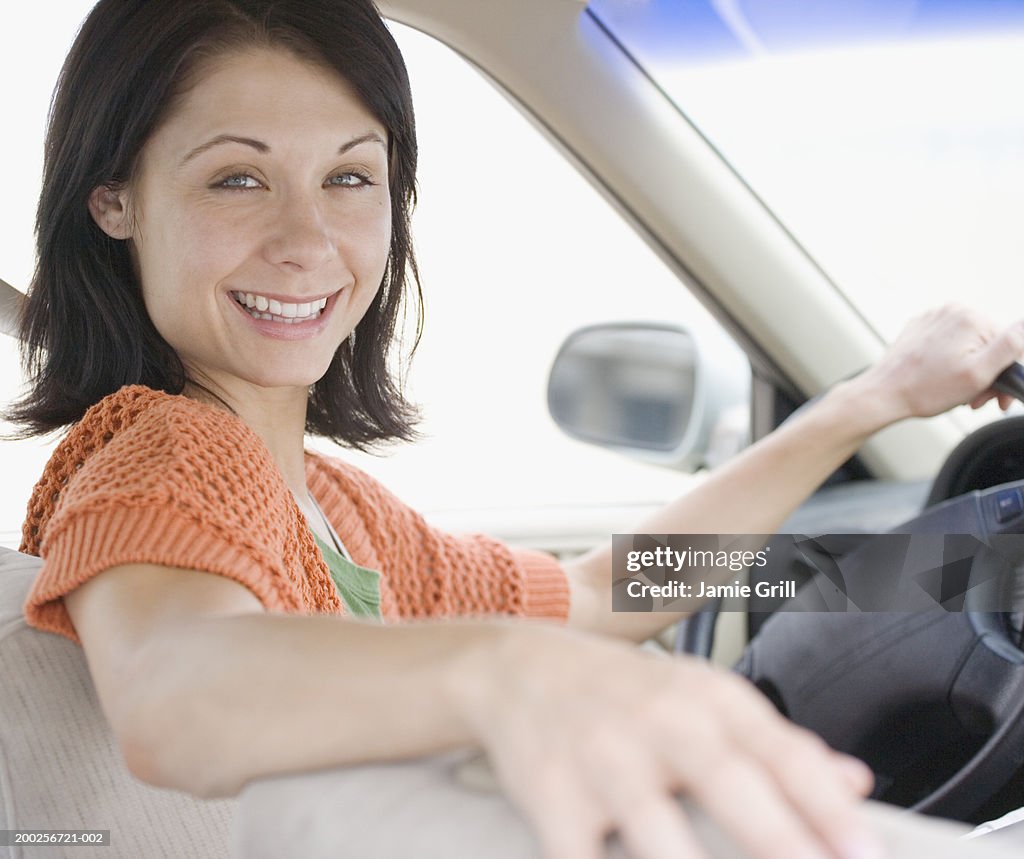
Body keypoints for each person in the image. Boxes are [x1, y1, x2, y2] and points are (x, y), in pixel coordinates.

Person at [8, 1, 1024, 858]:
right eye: (238, 177)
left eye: (349, 177)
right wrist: (502, 670)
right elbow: (172, 691)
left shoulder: (332, 505)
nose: (307, 239)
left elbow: (590, 596)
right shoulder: (162, 453)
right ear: (115, 200)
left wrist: (867, 403)